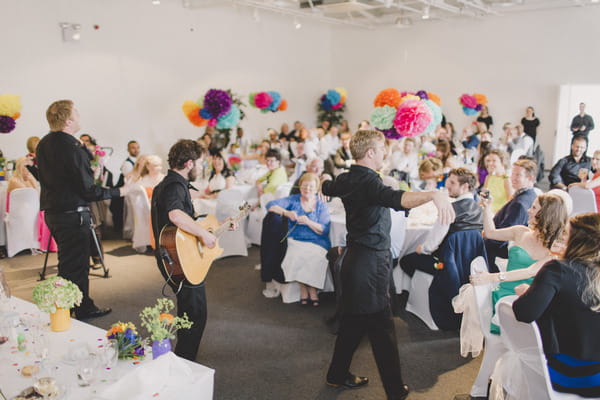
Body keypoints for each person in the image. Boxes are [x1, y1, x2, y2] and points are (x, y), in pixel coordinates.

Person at [322, 130, 455, 400]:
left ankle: (336, 376)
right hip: (370, 265)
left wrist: (325, 181)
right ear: (370, 152)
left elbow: (328, 187)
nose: (386, 153)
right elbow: (399, 199)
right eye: (383, 149)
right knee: (382, 329)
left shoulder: (346, 178)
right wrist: (434, 195)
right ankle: (396, 391)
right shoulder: (371, 182)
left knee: (352, 322)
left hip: (352, 262)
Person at [37, 100, 129, 320]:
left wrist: (90, 174)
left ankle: (72, 305)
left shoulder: (43, 144)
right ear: (68, 121)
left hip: (53, 212)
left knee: (69, 263)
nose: (79, 116)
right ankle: (77, 308)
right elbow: (88, 191)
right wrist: (119, 191)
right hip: (73, 214)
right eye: (76, 113)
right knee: (76, 265)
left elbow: (64, 180)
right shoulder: (72, 147)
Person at [151, 139, 231, 361]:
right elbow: (175, 215)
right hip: (179, 259)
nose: (201, 167)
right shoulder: (175, 186)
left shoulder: (168, 183)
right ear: (189, 163)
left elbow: (185, 221)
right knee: (194, 314)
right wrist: (204, 234)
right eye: (200, 163)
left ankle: (183, 360)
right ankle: (183, 363)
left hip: (177, 255)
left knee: (190, 312)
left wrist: (215, 227)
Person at [512, 213, 600, 397]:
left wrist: (531, 293)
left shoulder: (558, 270)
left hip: (571, 375)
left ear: (578, 240)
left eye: (566, 233)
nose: (562, 236)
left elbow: (524, 313)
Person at [474, 193, 568, 334]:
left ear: (546, 214)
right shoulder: (520, 232)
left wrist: (492, 277)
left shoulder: (556, 246)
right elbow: (490, 233)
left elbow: (530, 271)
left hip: (530, 298)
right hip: (505, 292)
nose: (528, 210)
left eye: (534, 208)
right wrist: (487, 208)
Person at [400, 167, 483, 277]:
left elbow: (431, 246)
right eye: (448, 181)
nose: (447, 185)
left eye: (452, 183)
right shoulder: (480, 210)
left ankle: (410, 293)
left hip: (445, 265)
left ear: (465, 186)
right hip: (469, 264)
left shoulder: (448, 210)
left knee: (405, 260)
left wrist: (422, 248)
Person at [267, 173, 331, 306]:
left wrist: (308, 222)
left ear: (316, 188)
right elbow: (270, 205)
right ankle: (304, 288)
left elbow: (325, 229)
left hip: (317, 240)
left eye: (311, 187)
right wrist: (287, 212)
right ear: (300, 186)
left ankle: (312, 289)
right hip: (296, 239)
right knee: (297, 254)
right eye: (304, 186)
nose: (307, 189)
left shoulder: (321, 204)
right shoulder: (293, 200)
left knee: (315, 255)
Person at [484, 158, 538, 272]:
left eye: (518, 175)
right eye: (512, 174)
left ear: (530, 178)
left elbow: (501, 238)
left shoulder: (520, 203)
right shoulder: (530, 194)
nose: (512, 178)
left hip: (498, 253)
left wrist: (483, 239)